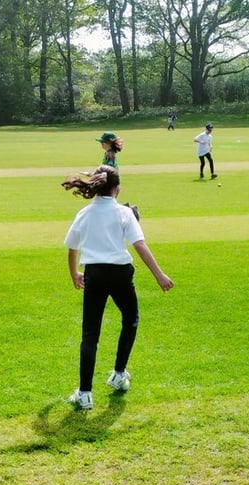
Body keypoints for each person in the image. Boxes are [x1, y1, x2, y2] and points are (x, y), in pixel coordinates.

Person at [62, 165, 174, 410]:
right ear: (117, 189)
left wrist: (74, 275)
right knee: (130, 318)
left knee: (90, 334)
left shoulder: (84, 213)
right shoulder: (124, 213)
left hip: (94, 273)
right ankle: (119, 374)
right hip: (121, 274)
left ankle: (84, 393)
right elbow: (140, 245)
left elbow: (72, 248)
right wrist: (159, 275)